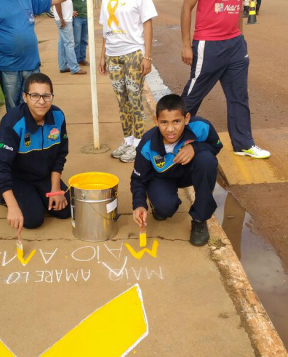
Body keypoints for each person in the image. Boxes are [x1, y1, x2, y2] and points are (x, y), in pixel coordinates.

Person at [181, 0, 270, 159]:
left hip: (235, 44)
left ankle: (244, 144)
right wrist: (186, 45)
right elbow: (187, 8)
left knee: (239, 96)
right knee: (193, 96)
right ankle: (170, 139)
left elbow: (237, 12)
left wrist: (240, 37)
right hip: (208, 44)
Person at [131, 94, 222, 246]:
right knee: (164, 208)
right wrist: (139, 204)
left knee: (207, 160)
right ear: (156, 121)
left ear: (186, 119)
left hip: (189, 172)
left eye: (177, 121)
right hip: (162, 177)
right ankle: (159, 203)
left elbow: (216, 146)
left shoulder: (201, 127)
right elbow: (138, 178)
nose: (170, 129)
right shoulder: (147, 144)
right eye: (164, 122)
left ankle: (199, 220)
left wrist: (195, 147)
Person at [0, 73, 70, 235]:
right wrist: (13, 207)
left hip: (44, 175)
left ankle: (39, 195)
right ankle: (1, 193)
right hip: (18, 178)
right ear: (25, 97)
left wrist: (55, 189)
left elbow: (60, 155)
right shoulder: (13, 121)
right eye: (35, 96)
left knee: (66, 210)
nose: (41, 101)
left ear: (52, 97)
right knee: (33, 220)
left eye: (46, 96)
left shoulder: (58, 116)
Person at [0, 0, 68, 111]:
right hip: (9, 67)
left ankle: (32, 129)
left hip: (32, 65)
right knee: (14, 110)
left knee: (35, 107)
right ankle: (15, 129)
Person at [98, 0, 158, 163]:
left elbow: (148, 24)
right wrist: (103, 56)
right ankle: (128, 141)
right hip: (113, 56)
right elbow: (106, 30)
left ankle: (138, 144)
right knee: (122, 101)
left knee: (134, 100)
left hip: (133, 53)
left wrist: (147, 56)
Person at [54, 0, 86, 75]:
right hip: (64, 19)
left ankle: (63, 66)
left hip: (65, 18)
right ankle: (74, 68)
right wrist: (61, 18)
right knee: (69, 43)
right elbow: (57, 3)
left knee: (62, 42)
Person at [72, 0, 89, 66]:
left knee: (84, 40)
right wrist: (70, 11)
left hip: (86, 17)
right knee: (77, 41)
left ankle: (82, 59)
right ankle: (76, 59)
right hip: (77, 18)